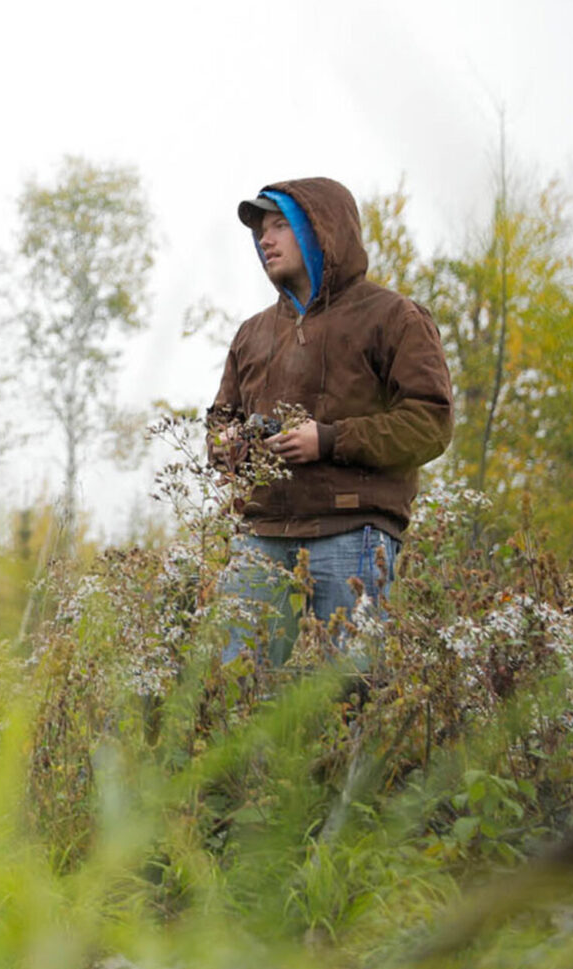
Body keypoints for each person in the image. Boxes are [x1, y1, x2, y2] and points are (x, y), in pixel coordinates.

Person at [209, 178, 453, 667]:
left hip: (354, 530)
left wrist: (329, 440)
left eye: (280, 225)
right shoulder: (253, 332)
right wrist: (225, 443)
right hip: (262, 531)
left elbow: (430, 422)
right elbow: (221, 418)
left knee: (348, 692)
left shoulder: (394, 317)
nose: (265, 239)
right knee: (233, 689)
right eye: (261, 229)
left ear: (322, 232)